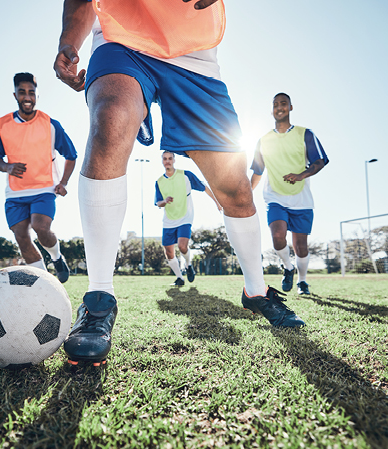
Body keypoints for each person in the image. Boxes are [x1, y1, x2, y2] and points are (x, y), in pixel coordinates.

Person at [55, 0, 305, 366]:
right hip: (121, 40)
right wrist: (69, 40)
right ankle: (98, 299)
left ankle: (256, 290)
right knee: (111, 121)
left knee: (235, 189)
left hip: (193, 56)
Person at [0, 72, 77, 283]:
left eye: (31, 93)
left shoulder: (50, 124)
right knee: (21, 236)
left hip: (44, 188)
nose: (27, 97)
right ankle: (45, 282)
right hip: (16, 192)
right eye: (22, 92)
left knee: (40, 227)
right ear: (15, 95)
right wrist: (7, 167)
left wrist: (63, 182)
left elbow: (71, 155)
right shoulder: (1, 125)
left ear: (36, 95)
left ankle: (56, 256)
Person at [250, 92, 329, 295]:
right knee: (277, 236)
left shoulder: (305, 134)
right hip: (274, 196)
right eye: (275, 104)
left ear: (290, 107)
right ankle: (288, 267)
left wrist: (302, 174)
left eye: (283, 103)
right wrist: (246, 194)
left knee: (301, 246)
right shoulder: (263, 140)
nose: (279, 107)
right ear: (271, 109)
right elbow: (258, 171)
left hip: (301, 199)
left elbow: (319, 161)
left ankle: (302, 281)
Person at [155, 150, 222, 286]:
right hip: (168, 220)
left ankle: (188, 265)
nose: (167, 161)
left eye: (170, 158)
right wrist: (165, 201)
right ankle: (180, 278)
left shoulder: (186, 175)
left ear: (174, 160)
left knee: (182, 246)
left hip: (185, 216)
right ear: (162, 161)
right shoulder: (159, 182)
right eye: (165, 159)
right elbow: (158, 203)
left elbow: (205, 187)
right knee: (169, 252)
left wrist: (217, 202)